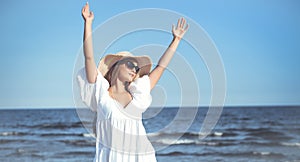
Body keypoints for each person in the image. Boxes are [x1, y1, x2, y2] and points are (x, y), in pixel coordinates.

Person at [77, 2, 188, 162]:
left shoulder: (138, 92)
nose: (134, 69)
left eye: (136, 68)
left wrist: (176, 40)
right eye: (130, 64)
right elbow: (89, 57)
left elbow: (161, 67)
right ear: (116, 66)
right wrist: (88, 23)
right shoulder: (101, 92)